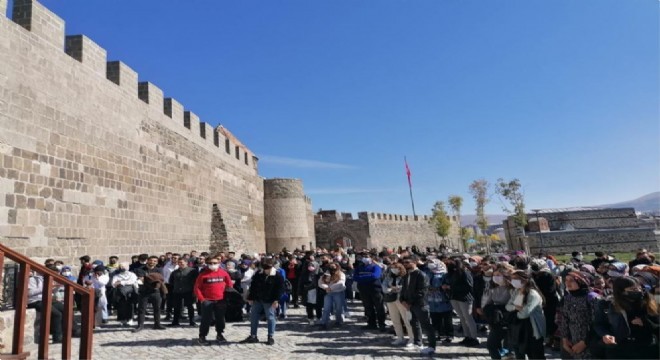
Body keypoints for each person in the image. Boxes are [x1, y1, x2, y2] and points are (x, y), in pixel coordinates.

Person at [593, 276, 659, 359]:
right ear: (621, 291)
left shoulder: (648, 301)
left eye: (639, 288)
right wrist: (606, 335)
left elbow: (657, 323)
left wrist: (645, 322)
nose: (638, 291)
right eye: (633, 289)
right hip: (619, 349)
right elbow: (599, 324)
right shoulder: (607, 304)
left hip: (646, 348)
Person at [242, 257, 284, 345]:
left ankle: (270, 336)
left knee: (270, 317)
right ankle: (253, 336)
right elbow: (253, 286)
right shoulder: (258, 274)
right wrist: (250, 297)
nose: (266, 269)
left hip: (269, 300)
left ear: (272, 266)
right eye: (264, 267)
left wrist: (276, 300)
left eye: (268, 267)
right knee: (253, 317)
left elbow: (279, 289)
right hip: (258, 299)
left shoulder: (277, 275)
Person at [506, 270, 546, 360]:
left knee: (535, 356)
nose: (513, 281)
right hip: (519, 329)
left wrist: (515, 313)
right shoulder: (516, 291)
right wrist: (516, 308)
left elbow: (525, 314)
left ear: (525, 280)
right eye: (512, 279)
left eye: (516, 279)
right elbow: (507, 306)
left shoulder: (533, 294)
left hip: (532, 330)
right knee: (521, 353)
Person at [400, 255, 436, 356]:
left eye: (407, 262)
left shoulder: (421, 275)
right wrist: (402, 300)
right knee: (414, 323)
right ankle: (417, 342)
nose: (405, 264)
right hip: (409, 304)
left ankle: (432, 346)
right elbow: (404, 289)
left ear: (414, 262)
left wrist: (409, 302)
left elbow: (422, 292)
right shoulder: (407, 275)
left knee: (426, 325)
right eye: (404, 262)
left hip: (420, 304)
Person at [193, 257, 233, 345]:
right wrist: (202, 299)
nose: (212, 264)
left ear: (218, 262)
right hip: (207, 301)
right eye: (210, 263)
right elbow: (197, 288)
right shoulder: (202, 275)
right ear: (207, 264)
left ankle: (219, 334)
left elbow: (229, 285)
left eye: (214, 262)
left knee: (220, 319)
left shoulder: (224, 273)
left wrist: (226, 297)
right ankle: (202, 336)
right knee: (206, 320)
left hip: (220, 300)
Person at [559, 271, 597, 359]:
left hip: (589, 342)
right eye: (566, 280)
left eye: (571, 280)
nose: (567, 283)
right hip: (573, 341)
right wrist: (565, 339)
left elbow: (596, 322)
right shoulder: (568, 298)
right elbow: (565, 319)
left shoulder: (592, 297)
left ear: (581, 282)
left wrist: (584, 342)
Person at [443, 257, 479, 346]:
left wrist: (451, 288)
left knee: (468, 318)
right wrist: (446, 287)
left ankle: (474, 338)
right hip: (454, 297)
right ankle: (467, 336)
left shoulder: (465, 273)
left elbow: (469, 286)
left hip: (465, 298)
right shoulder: (451, 274)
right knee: (462, 318)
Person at [482, 265, 512, 359]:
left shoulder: (512, 289)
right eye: (494, 275)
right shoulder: (493, 288)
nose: (495, 277)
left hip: (509, 320)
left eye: (498, 275)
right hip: (496, 321)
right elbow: (486, 303)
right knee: (492, 345)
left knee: (508, 348)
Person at [133, 256, 166, 332]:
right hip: (144, 292)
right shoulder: (140, 269)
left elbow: (160, 279)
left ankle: (157, 324)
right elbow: (141, 279)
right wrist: (153, 278)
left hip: (156, 292)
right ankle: (140, 325)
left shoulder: (159, 269)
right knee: (141, 309)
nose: (152, 262)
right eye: (151, 260)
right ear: (147, 261)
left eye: (154, 261)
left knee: (157, 309)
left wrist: (148, 278)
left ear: (157, 262)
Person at [354, 252, 386, 331]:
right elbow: (355, 277)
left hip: (375, 289)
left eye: (367, 256)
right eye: (363, 256)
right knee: (368, 307)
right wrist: (368, 277)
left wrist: (362, 277)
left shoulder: (376, 267)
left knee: (379, 307)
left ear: (371, 258)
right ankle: (371, 323)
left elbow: (375, 276)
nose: (365, 258)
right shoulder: (359, 267)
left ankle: (382, 324)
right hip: (363, 290)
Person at [425, 259, 453, 344]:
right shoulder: (429, 273)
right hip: (432, 300)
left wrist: (438, 288)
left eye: (432, 263)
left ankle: (449, 335)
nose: (430, 264)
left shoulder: (444, 274)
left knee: (447, 318)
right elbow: (426, 284)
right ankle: (439, 334)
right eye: (429, 262)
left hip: (443, 299)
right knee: (435, 318)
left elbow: (447, 285)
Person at [169, 257, 198, 327]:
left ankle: (192, 321)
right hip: (177, 292)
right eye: (179, 263)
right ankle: (175, 321)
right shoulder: (175, 272)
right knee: (176, 307)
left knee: (190, 307)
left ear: (186, 262)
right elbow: (171, 281)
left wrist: (195, 291)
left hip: (188, 291)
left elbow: (196, 281)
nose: (180, 264)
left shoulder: (192, 271)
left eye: (182, 262)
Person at [317, 262, 346, 329]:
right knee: (326, 308)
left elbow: (341, 283)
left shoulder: (341, 274)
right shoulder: (326, 274)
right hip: (328, 293)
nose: (332, 267)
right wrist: (325, 287)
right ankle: (324, 323)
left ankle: (339, 321)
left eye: (333, 266)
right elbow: (320, 282)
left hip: (338, 293)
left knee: (338, 308)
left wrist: (330, 288)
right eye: (331, 266)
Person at [111, 262, 138, 327]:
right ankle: (122, 319)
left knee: (130, 306)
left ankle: (130, 319)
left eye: (124, 267)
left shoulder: (132, 274)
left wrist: (121, 282)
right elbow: (113, 284)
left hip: (130, 292)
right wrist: (123, 283)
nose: (122, 268)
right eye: (121, 267)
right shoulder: (116, 275)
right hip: (120, 293)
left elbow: (132, 281)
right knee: (121, 306)